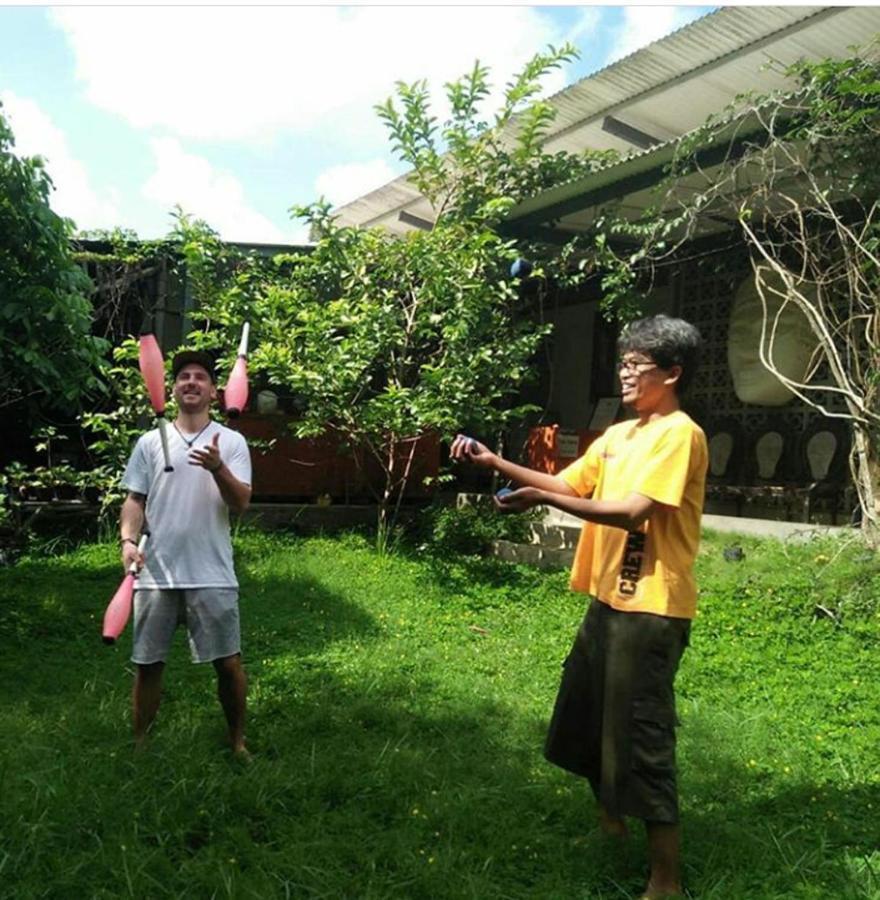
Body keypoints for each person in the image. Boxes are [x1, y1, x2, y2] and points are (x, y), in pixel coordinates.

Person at [451, 314, 707, 900]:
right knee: (586, 715)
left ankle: (664, 880)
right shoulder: (621, 434)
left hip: (652, 607)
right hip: (607, 599)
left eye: (637, 364)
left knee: (641, 734)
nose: (625, 372)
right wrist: (497, 465)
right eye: (623, 362)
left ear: (672, 373)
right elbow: (568, 485)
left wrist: (541, 497)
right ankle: (610, 826)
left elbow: (633, 511)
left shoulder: (679, 434)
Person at [119, 349, 253, 757]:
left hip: (212, 572)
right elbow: (134, 499)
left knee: (228, 664)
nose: (191, 382)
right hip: (155, 573)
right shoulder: (149, 442)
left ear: (214, 391)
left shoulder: (231, 442)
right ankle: (141, 744)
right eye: (183, 377)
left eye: (200, 377)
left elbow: (240, 502)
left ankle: (237, 742)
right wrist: (127, 541)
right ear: (172, 388)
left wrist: (217, 468)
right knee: (147, 665)